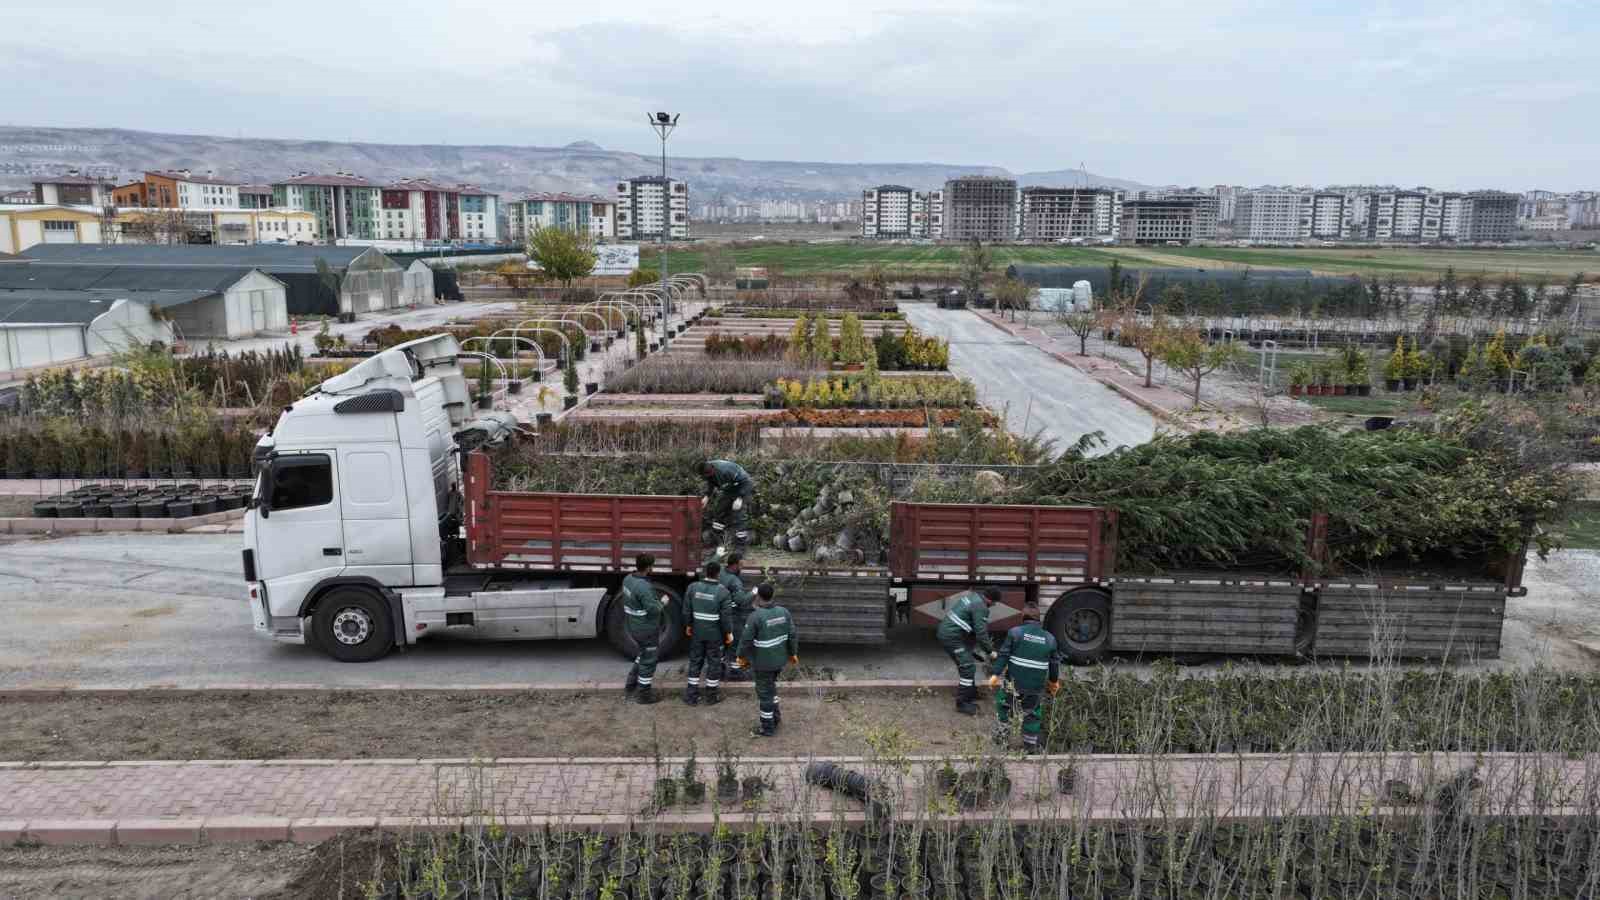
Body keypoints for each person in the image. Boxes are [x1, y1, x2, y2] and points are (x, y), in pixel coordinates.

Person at [988, 602, 1060, 754]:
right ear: (1038, 619)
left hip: (1013, 684)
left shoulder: (1015, 633)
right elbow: (1054, 664)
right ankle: (1030, 746)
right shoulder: (1050, 639)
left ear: (1023, 617)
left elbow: (1004, 655)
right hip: (1035, 687)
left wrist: (995, 674)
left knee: (1004, 708)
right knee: (1032, 714)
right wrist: (1054, 682)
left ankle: (1001, 742)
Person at [736, 583, 797, 738]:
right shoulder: (784, 612)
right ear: (772, 595)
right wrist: (793, 653)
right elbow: (792, 634)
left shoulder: (755, 616)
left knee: (764, 695)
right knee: (771, 689)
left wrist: (740, 657)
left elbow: (745, 640)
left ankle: (767, 727)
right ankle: (776, 717)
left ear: (758, 597)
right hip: (779, 661)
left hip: (763, 664)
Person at [935, 587, 999, 715]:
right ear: (990, 601)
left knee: (966, 664)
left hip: (951, 634)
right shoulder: (981, 607)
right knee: (967, 667)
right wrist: (991, 652)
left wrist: (973, 648)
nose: (994, 605)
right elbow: (981, 633)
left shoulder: (973, 597)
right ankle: (962, 703)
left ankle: (971, 692)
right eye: (994, 603)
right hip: (952, 637)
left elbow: (972, 628)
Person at [682, 561, 734, 706]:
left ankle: (691, 696)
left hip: (697, 632)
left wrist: (688, 625)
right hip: (714, 635)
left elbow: (686, 610)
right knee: (714, 663)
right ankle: (711, 696)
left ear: (706, 572)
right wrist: (728, 633)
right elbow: (726, 617)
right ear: (718, 574)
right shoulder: (723, 592)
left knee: (695, 661)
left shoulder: (693, 587)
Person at [621, 554, 664, 705]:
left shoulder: (628, 579)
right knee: (649, 660)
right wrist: (663, 602)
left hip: (634, 626)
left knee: (642, 654)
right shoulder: (643, 587)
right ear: (649, 567)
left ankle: (630, 685)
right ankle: (644, 695)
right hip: (646, 629)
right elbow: (653, 610)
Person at [699, 458, 755, 551]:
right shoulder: (708, 470)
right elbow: (711, 482)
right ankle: (716, 542)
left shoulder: (726, 470)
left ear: (713, 469)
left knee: (739, 517)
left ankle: (740, 548)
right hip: (728, 491)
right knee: (719, 513)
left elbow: (747, 482)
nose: (708, 476)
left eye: (709, 474)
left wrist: (740, 498)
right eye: (706, 476)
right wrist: (707, 496)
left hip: (742, 488)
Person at [719, 553, 755, 682]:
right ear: (735, 565)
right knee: (736, 645)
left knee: (721, 645)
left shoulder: (721, 573)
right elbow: (741, 601)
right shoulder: (734, 581)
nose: (742, 567)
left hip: (720, 616)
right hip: (733, 617)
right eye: (741, 564)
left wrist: (718, 554)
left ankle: (719, 671)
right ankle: (735, 673)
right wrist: (753, 592)